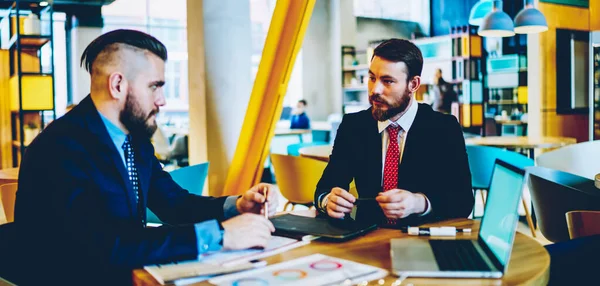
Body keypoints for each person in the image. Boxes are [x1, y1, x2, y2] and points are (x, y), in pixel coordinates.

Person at [14, 29, 279, 285]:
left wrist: (236, 205)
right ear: (117, 85)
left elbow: (173, 203)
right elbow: (102, 245)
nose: (162, 100)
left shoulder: (135, 139)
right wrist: (219, 236)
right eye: (155, 86)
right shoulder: (59, 149)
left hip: (128, 274)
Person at [314, 39, 473, 227]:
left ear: (413, 84)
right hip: (367, 239)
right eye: (372, 78)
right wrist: (328, 202)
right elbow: (324, 189)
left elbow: (463, 201)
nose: (375, 90)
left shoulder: (443, 128)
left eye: (387, 81)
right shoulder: (354, 126)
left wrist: (419, 203)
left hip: (423, 240)